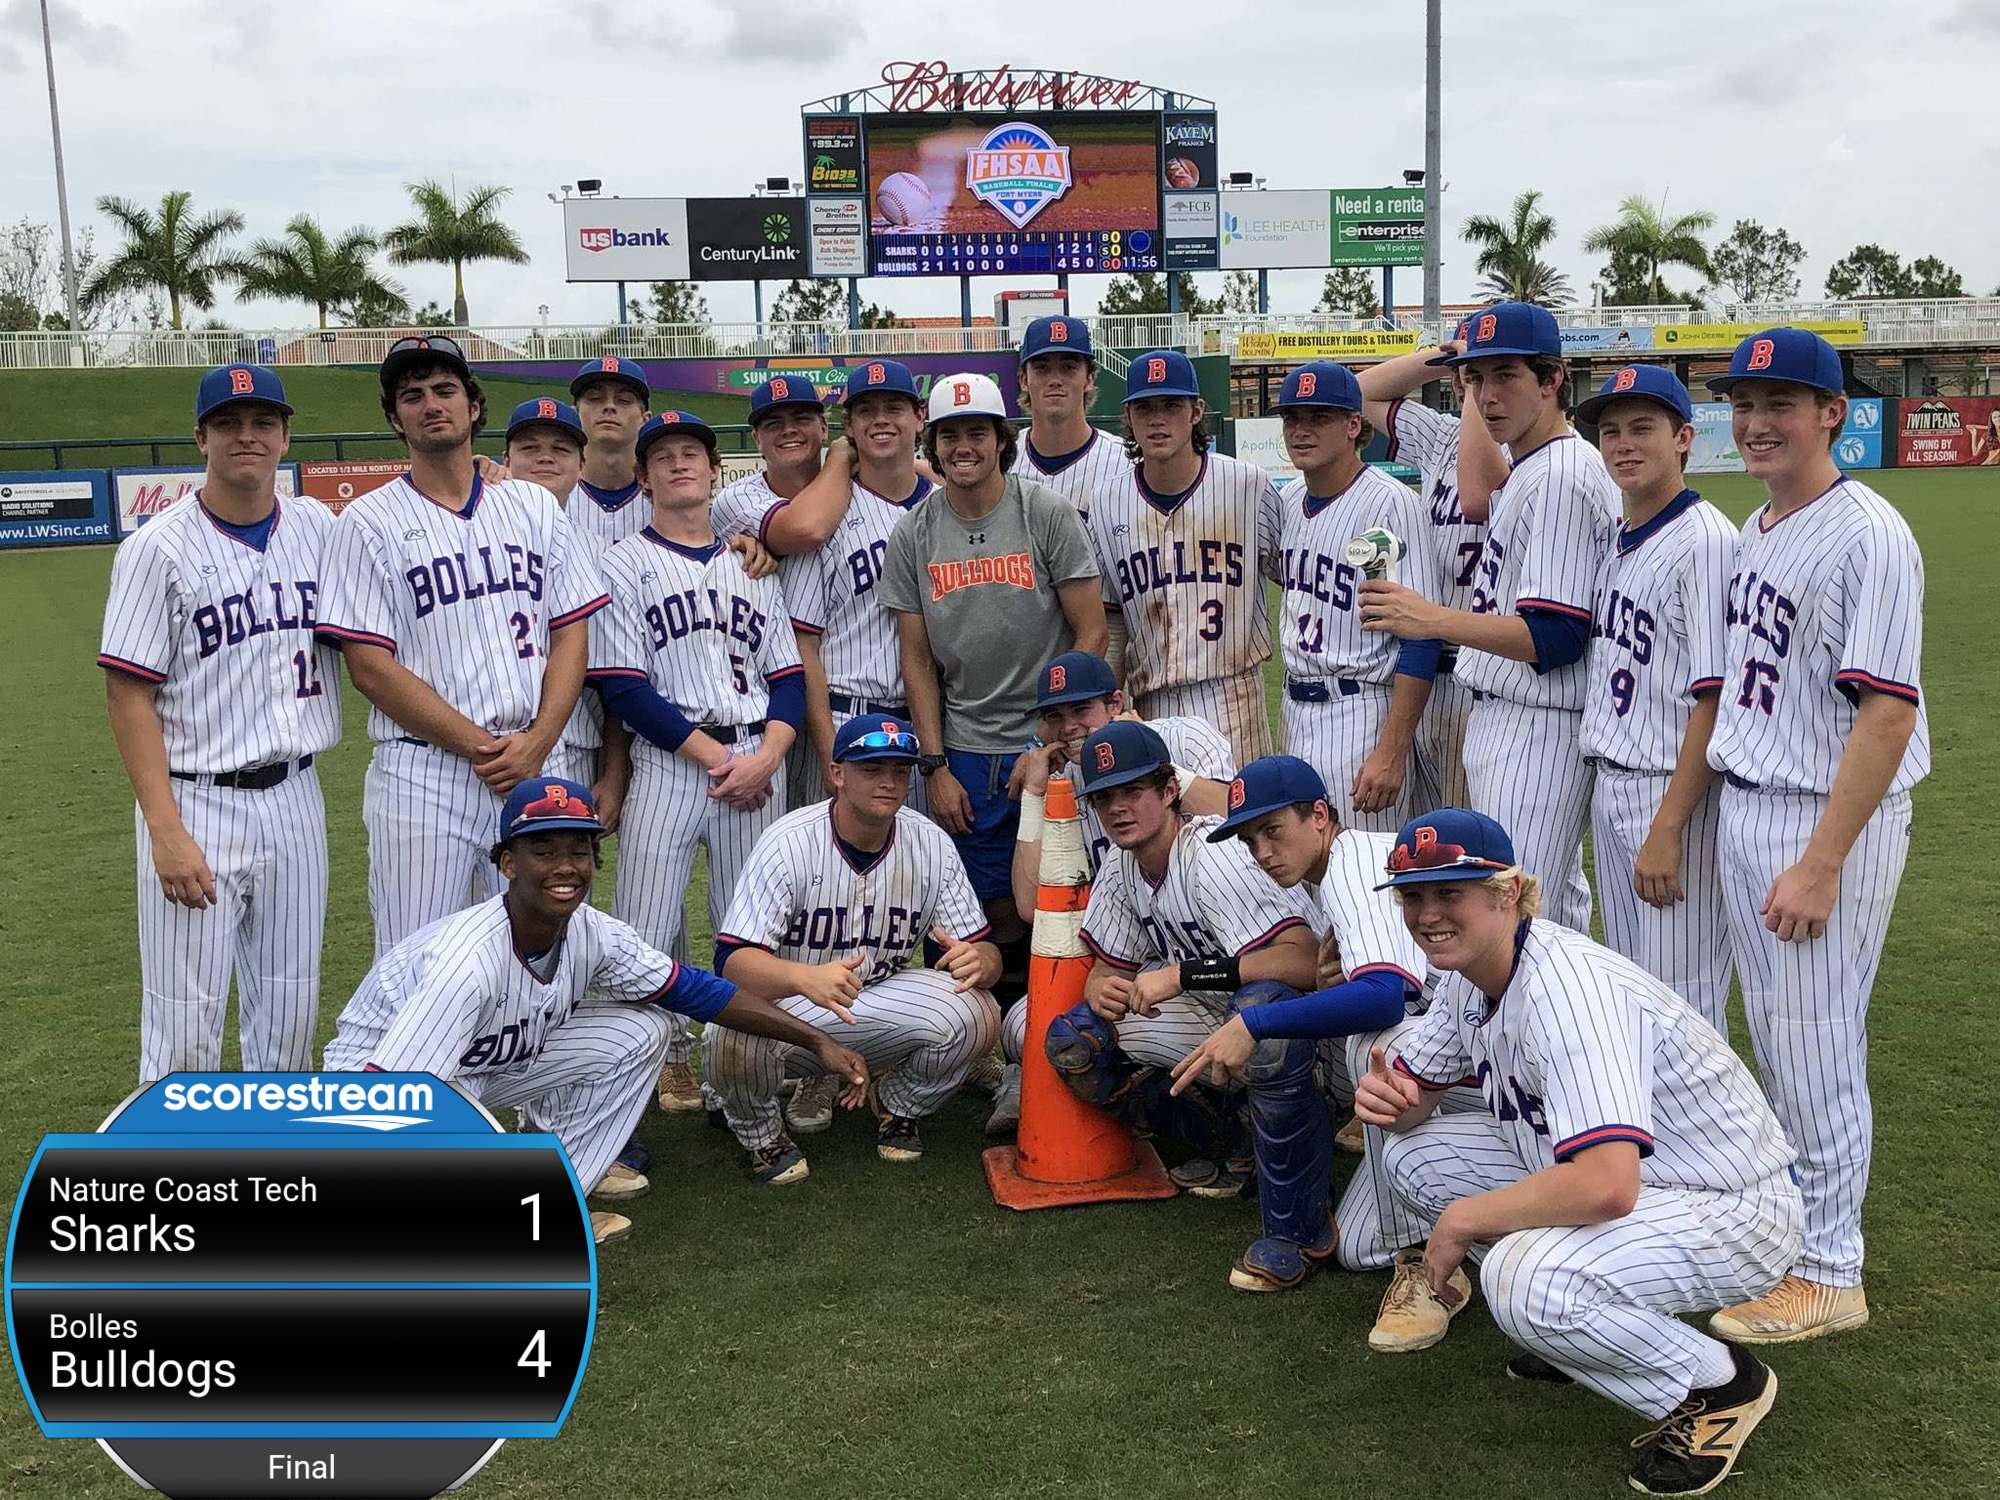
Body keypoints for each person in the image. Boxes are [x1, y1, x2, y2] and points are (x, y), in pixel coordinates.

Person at [1354, 807, 1802, 1497]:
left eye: (1451, 893)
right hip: (1651, 1187)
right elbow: (1419, 1098)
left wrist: (1462, 1222)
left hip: (1730, 1209)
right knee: (1416, 1158)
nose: (1428, 914)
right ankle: (1582, 1330)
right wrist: (1389, 1100)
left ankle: (1718, 1385)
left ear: (1507, 892)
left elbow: (1606, 1186)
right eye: (1415, 895)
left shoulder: (1568, 990)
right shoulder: (1470, 974)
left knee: (1520, 1280)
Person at [324, 776, 868, 1247]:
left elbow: (695, 992)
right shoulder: (467, 963)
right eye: (544, 850)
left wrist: (814, 1040)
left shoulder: (592, 933)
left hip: (478, 1067)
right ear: (508, 863)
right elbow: (388, 1100)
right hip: (373, 1093)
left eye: (579, 850)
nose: (566, 866)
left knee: (643, 1028)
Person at [1700, 328, 1929, 1343]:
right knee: (1781, 1042)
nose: (1755, 421)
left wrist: (1820, 861)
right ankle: (1792, 1237)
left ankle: (1831, 1269)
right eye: (1744, 402)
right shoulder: (1761, 523)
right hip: (1754, 800)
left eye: (1780, 403)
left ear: (1831, 411)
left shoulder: (1866, 534)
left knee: (1814, 1045)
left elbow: (1885, 713)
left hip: (1818, 818)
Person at [1170, 758, 1490, 1352]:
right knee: (1360, 1245)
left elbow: (1384, 998)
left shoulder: (1353, 866)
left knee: (1377, 1046)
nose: (1262, 851)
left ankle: (1481, 1246)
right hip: (1456, 1062)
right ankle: (1466, 1222)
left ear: (1319, 816)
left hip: (1481, 1065)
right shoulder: (1331, 875)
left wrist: (1253, 1022)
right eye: (1249, 839)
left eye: (1273, 830)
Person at [318, 335, 607, 958]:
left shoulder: (531, 505)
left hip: (536, 758)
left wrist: (538, 741)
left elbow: (570, 632)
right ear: (396, 419)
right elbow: (369, 667)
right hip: (427, 774)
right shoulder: (367, 522)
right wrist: (486, 748)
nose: (431, 404)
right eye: (412, 395)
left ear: (474, 407)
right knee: (418, 960)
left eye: (445, 390)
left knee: (537, 955)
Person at [98, 364, 341, 1080]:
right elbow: (128, 696)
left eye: (263, 422)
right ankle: (176, 1178)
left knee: (291, 1016)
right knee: (183, 1022)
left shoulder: (320, 529)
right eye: (229, 423)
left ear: (285, 435)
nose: (247, 436)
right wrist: (165, 833)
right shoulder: (156, 549)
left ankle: (272, 1172)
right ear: (200, 437)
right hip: (194, 798)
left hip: (297, 793)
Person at [1358, 302, 1621, 932]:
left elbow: (1554, 637)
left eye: (1506, 376)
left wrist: (1431, 619)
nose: (1488, 394)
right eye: (1476, 379)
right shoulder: (1534, 465)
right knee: (1524, 913)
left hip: (1538, 721)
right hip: (1509, 713)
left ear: (1552, 379)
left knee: (1518, 920)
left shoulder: (1558, 474)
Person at [587, 410, 805, 1115]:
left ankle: (739, 1068)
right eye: (663, 457)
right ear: (645, 478)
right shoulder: (620, 562)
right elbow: (622, 686)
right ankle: (662, 1060)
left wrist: (768, 754)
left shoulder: (751, 562)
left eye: (692, 452)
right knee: (643, 927)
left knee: (750, 934)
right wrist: (723, 760)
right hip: (672, 764)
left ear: (716, 471)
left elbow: (790, 678)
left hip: (755, 760)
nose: (678, 463)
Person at [878, 371, 1106, 1014]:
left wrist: (1049, 738)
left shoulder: (1044, 512)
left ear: (1001, 439)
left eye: (976, 431)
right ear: (934, 442)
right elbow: (916, 660)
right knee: (984, 913)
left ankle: (1058, 1030)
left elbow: (1090, 631)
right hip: (968, 749)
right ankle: (993, 1041)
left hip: (1052, 745)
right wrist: (936, 764)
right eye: (949, 435)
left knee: (1062, 897)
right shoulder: (915, 532)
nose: (962, 447)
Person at [704, 715, 1003, 1182]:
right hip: (792, 1002)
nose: (888, 782)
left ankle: (899, 1105)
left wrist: (981, 961)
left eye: (899, 772)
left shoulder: (930, 843)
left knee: (978, 1011)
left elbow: (986, 951)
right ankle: (761, 1134)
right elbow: (732, 965)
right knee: (731, 1030)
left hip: (881, 994)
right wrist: (803, 977)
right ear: (838, 773)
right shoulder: (789, 842)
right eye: (872, 769)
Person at [1047, 723, 1319, 1198]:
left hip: (1309, 1028)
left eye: (1133, 790)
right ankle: (1231, 1139)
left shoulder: (1214, 854)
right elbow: (1109, 968)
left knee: (1258, 1003)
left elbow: (1306, 962)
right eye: (1105, 798)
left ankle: (1298, 1151)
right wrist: (1101, 988)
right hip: (1210, 1010)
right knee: (1076, 1038)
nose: (1118, 809)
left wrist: (1184, 975)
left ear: (1171, 789)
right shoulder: (1120, 863)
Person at [993, 649, 1234, 1132]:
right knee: (1027, 1026)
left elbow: (1239, 816)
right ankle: (1194, 1127)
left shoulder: (1182, 736)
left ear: (1116, 702)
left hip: (1227, 947)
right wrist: (1037, 799)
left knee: (1259, 1028)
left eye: (1082, 710)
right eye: (1054, 716)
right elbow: (1028, 906)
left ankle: (1252, 1117)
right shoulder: (1064, 779)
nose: (1068, 727)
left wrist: (1144, 754)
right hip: (1140, 957)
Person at [1575, 366, 1737, 1032]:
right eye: (1610, 431)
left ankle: (1708, 1138)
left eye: (1643, 428)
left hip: (1671, 794)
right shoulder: (1623, 537)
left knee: (1684, 1003)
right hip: (1616, 784)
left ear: (1684, 439)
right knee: (1637, 993)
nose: (1623, 444)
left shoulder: (1705, 542)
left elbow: (1716, 697)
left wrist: (1669, 826)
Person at [1084, 349, 1282, 765]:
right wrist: (1112, 706)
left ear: (1196, 412)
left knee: (1238, 824)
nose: (1157, 419)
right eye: (1145, 407)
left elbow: (1295, 581)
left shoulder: (1247, 486)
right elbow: (1113, 619)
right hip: (1150, 703)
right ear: (1129, 417)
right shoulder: (1106, 502)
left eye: (1171, 405)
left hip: (1232, 699)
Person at [1271, 360, 1441, 833]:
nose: (1301, 430)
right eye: (1292, 418)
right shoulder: (1287, 503)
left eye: (1318, 417)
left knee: (1362, 885)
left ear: (1353, 425)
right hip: (1294, 710)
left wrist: (1391, 750)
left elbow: (1420, 636)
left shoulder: (1389, 503)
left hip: (1360, 711)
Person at [762, 366, 935, 808]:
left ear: (919, 416)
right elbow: (805, 643)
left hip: (928, 724)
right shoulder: (828, 510)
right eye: (866, 411)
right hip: (843, 713)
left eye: (893, 408)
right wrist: (827, 748)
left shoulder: (946, 507)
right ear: (849, 427)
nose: (880, 420)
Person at [1357, 327, 1493, 809]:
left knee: (1484, 837)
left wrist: (1478, 381)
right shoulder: (1440, 436)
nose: (1471, 383)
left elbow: (1478, 496)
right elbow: (1358, 392)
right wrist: (1440, 355)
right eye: (1466, 373)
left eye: (1492, 371)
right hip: (1422, 669)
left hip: (1485, 672)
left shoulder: (1533, 449)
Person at [499, 397, 630, 822]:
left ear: (581, 465)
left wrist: (613, 772)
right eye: (529, 447)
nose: (544, 458)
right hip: (477, 743)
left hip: (572, 743)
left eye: (560, 449)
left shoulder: (600, 553)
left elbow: (612, 676)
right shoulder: (468, 536)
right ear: (506, 459)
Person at [1010, 315, 1128, 521]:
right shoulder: (1002, 461)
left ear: (1089, 379)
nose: (1055, 380)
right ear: (1024, 380)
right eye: (1042, 368)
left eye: (1068, 368)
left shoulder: (1126, 462)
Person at [566, 356, 653, 547]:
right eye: (595, 398)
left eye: (624, 400)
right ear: (575, 414)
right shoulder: (552, 494)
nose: (609, 406)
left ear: (644, 419)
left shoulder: (668, 498)